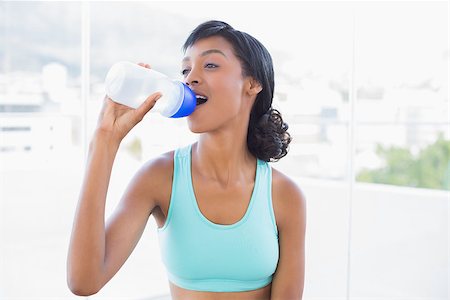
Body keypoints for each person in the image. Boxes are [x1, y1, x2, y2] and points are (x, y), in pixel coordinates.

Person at [67, 20, 306, 300]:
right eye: (185, 69)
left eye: (211, 65)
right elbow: (84, 281)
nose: (190, 77)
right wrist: (104, 142)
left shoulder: (285, 196)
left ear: (252, 84)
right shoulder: (159, 177)